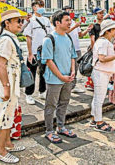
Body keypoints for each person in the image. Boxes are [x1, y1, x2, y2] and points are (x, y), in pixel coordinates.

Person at [0, 10, 26, 163]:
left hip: (12, 79)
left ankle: (7, 144)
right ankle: (0, 151)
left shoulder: (12, 38)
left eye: (21, 21)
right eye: (17, 21)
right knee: (2, 114)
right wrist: (6, 86)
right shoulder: (5, 39)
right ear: (7, 23)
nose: (20, 24)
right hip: (5, 81)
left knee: (9, 113)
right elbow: (0, 64)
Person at [42, 11, 78, 143]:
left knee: (64, 102)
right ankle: (49, 130)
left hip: (68, 77)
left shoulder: (68, 37)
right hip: (54, 79)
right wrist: (61, 76)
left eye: (70, 20)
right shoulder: (49, 39)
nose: (70, 23)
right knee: (51, 105)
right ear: (58, 23)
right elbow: (48, 61)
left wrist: (72, 71)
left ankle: (61, 126)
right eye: (67, 20)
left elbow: (73, 56)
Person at [90, 19, 115, 132]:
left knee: (98, 97)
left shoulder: (104, 41)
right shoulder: (103, 42)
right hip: (100, 72)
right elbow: (102, 58)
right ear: (108, 30)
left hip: (103, 72)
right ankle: (98, 122)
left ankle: (95, 119)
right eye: (114, 29)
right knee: (99, 99)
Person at [23, 0, 53, 104]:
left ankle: (42, 91)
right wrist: (30, 53)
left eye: (42, 5)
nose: (40, 7)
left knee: (44, 72)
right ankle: (29, 94)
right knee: (31, 73)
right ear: (33, 7)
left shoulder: (47, 20)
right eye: (38, 5)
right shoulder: (31, 20)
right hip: (34, 51)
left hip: (45, 51)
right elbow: (28, 37)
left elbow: (51, 34)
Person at [65, 6, 93, 93]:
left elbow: (80, 35)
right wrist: (74, 26)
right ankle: (66, 87)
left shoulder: (74, 22)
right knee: (67, 69)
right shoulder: (65, 22)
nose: (71, 12)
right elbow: (64, 32)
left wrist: (87, 30)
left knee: (75, 68)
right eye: (69, 11)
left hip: (76, 48)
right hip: (67, 49)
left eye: (71, 11)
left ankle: (73, 86)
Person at [86, 7, 106, 90]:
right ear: (95, 15)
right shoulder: (93, 25)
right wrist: (94, 49)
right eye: (99, 13)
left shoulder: (105, 24)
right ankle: (92, 84)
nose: (101, 15)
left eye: (102, 13)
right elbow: (92, 38)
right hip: (97, 48)